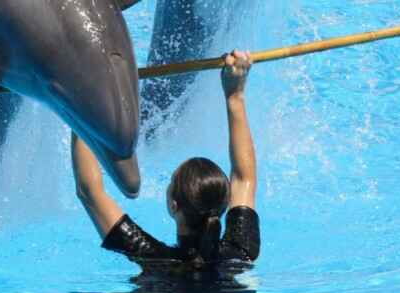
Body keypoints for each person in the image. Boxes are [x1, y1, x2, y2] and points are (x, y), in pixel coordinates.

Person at [72, 50, 260, 278]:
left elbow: (89, 191)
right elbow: (244, 178)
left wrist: (79, 99)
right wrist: (235, 94)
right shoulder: (239, 253)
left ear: (173, 205)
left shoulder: (152, 257)